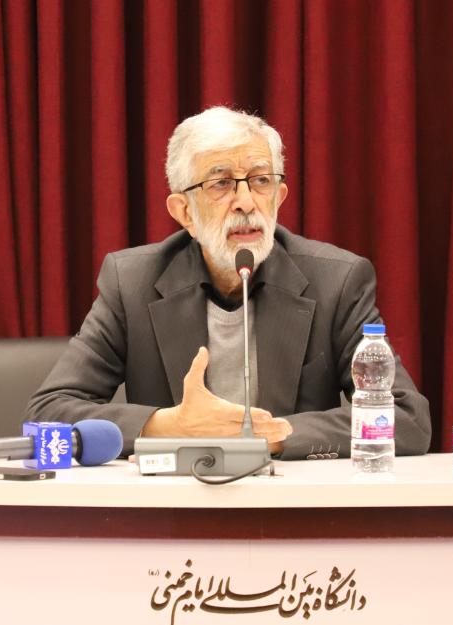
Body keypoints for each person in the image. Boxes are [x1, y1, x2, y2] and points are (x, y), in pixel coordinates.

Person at [27, 106, 431, 459]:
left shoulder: (336, 281)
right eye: (220, 184)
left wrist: (275, 435)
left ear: (279, 197)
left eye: (260, 181)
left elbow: (407, 419)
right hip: (174, 504)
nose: (246, 202)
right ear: (184, 212)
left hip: (292, 503)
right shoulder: (132, 283)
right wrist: (169, 426)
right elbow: (48, 411)